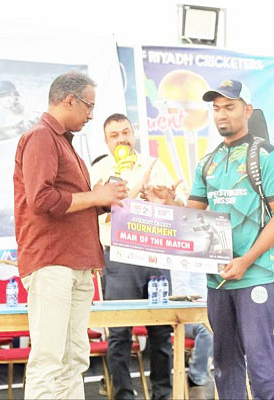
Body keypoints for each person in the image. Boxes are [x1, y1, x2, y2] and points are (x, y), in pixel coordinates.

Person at [13, 71, 128, 399]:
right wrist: (95, 196)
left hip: (78, 261)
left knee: (75, 356)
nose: (91, 115)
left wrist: (103, 201)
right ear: (69, 101)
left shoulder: (64, 144)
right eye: (89, 106)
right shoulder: (40, 137)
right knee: (49, 357)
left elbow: (71, 203)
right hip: (52, 261)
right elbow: (41, 200)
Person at [187, 79, 274, 399]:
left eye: (229, 107)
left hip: (257, 274)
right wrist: (161, 207)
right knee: (224, 363)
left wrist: (245, 260)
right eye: (216, 108)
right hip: (219, 278)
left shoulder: (268, 156)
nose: (221, 114)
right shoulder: (207, 162)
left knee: (260, 362)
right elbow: (191, 217)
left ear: (247, 110)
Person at [90, 113, 179, 400]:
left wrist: (167, 200)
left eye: (126, 132)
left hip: (155, 256)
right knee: (119, 333)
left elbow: (178, 209)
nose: (122, 139)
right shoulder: (99, 170)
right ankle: (123, 395)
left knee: (161, 332)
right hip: (119, 259)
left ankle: (163, 394)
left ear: (134, 134)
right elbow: (93, 215)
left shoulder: (155, 166)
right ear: (106, 141)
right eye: (114, 135)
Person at [170, 270, 213, 400]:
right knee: (207, 331)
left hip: (210, 313)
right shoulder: (181, 262)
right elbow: (180, 291)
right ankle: (196, 378)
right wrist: (205, 303)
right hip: (188, 317)